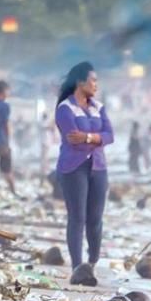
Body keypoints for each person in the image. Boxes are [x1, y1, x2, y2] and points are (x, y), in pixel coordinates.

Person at [54, 61, 113, 286]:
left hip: (98, 167)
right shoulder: (65, 109)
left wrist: (89, 137)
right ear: (80, 82)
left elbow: (110, 135)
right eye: (93, 80)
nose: (96, 85)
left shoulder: (99, 107)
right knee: (77, 217)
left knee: (95, 219)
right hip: (73, 167)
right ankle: (77, 266)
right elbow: (72, 139)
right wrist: (98, 137)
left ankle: (92, 263)